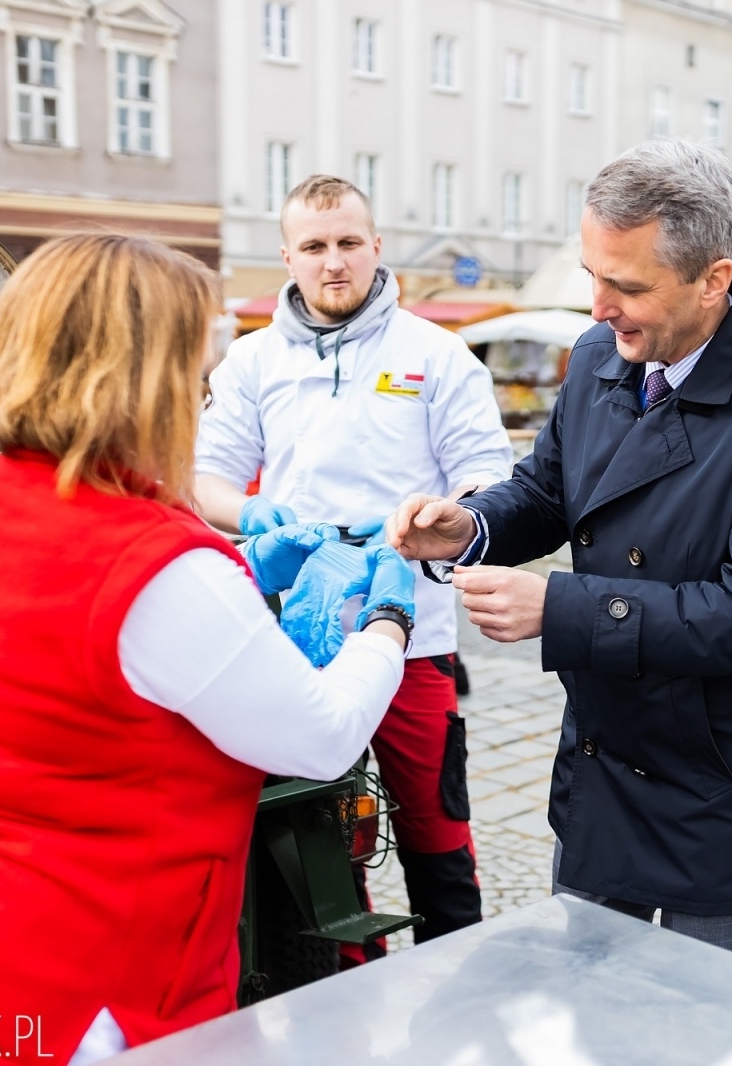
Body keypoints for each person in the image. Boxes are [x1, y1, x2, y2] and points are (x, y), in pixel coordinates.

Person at [0, 235, 415, 1065]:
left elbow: (75, 650)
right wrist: (387, 622)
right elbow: (322, 735)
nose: (206, 391)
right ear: (141, 381)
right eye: (196, 369)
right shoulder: (155, 566)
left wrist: (239, 575)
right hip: (77, 999)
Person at [388, 140, 732, 963]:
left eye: (627, 285)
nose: (599, 305)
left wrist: (560, 608)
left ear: (714, 280)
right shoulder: (605, 351)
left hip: (718, 778)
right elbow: (547, 491)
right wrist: (470, 526)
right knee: (587, 1007)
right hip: (606, 758)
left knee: (710, 1027)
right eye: (591, 275)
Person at [194, 175, 514, 956]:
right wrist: (251, 514)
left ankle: (459, 979)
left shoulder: (437, 355)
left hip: (413, 633)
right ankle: (349, 992)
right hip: (298, 643)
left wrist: (444, 518)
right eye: (314, 247)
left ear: (376, 246)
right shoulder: (251, 360)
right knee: (325, 840)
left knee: (438, 833)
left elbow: (490, 477)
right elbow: (206, 481)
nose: (333, 262)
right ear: (287, 257)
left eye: (347, 243)